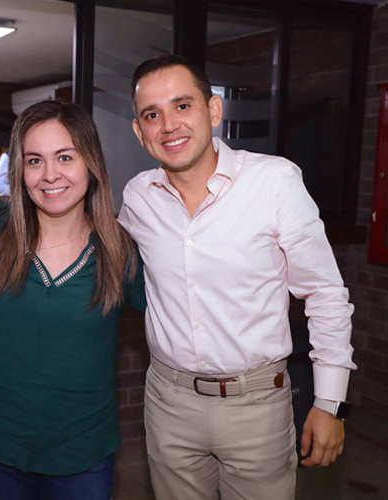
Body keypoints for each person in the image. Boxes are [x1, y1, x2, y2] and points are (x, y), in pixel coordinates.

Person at [117, 54, 356, 500]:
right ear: (139, 131)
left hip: (257, 407)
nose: (169, 125)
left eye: (182, 106)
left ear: (212, 111)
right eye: (152, 114)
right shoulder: (137, 198)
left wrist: (329, 402)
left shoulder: (274, 182)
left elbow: (325, 294)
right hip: (168, 403)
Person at [0, 100, 145, 499]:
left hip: (84, 459)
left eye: (65, 157)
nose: (49, 176)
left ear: (90, 163)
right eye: (34, 161)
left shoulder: (120, 250)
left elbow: (185, 311)